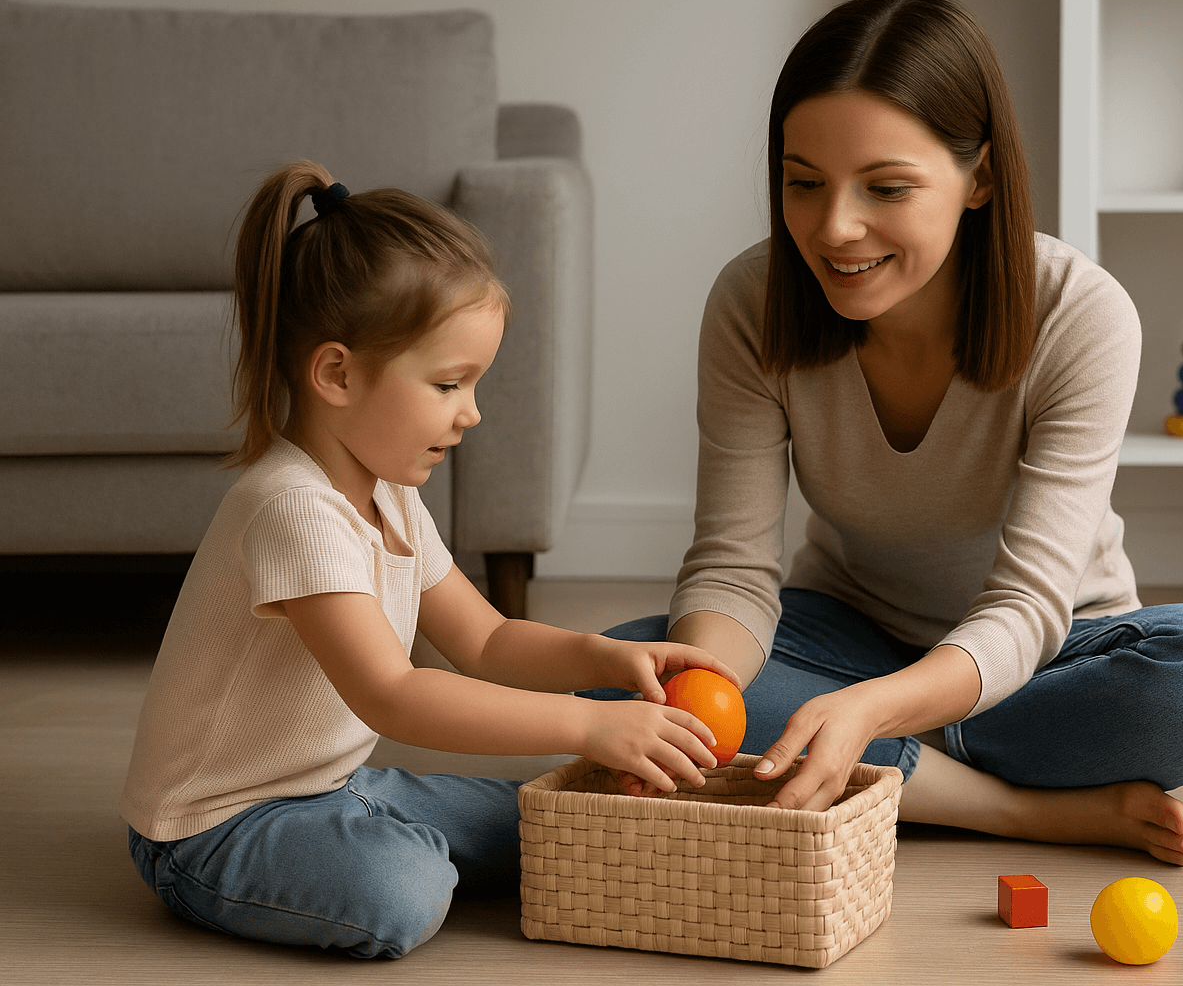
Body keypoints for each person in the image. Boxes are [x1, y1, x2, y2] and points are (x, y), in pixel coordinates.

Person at [602, 0, 1183, 866]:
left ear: (982, 178)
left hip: (1044, 654)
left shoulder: (1080, 313)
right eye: (802, 183)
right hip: (847, 634)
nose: (833, 228)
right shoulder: (752, 302)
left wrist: (874, 713)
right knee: (619, 675)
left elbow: (1028, 605)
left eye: (886, 187)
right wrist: (697, 707)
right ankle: (1018, 808)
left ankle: (875, 766)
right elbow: (733, 567)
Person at [119, 160, 737, 959]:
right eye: (449, 383)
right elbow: (395, 695)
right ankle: (384, 848)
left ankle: (378, 833)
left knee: (558, 821)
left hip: (335, 792)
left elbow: (485, 641)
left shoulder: (391, 495)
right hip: (214, 829)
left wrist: (606, 660)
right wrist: (589, 724)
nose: (472, 412)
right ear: (337, 374)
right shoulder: (291, 509)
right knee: (403, 895)